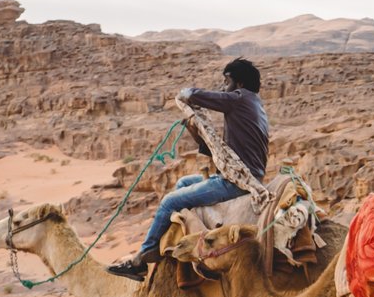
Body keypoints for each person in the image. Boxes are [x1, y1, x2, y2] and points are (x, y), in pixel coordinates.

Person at [106, 57, 268, 279]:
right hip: (244, 177)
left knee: (170, 201)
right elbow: (222, 154)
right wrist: (196, 130)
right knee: (182, 184)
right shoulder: (254, 105)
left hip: (236, 182)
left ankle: (142, 258)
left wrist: (185, 95)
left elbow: (190, 95)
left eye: (227, 81)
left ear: (239, 84)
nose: (223, 87)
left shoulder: (239, 99)